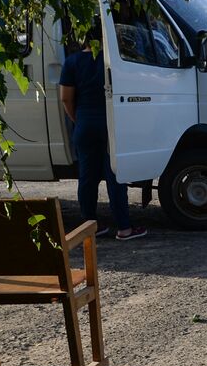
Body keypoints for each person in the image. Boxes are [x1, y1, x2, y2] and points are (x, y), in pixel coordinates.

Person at [58, 43, 147, 239]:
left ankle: (91, 227)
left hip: (84, 124)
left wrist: (78, 119)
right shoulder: (114, 61)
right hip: (111, 126)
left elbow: (65, 98)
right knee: (115, 176)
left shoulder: (72, 61)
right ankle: (124, 228)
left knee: (87, 178)